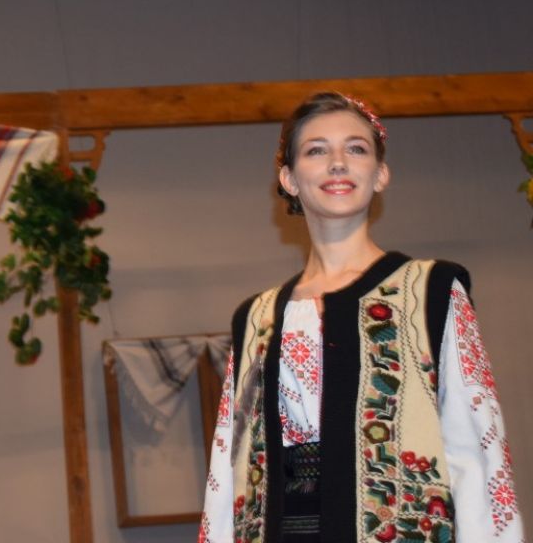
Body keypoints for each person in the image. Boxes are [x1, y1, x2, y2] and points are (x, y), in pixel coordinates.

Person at [198, 93, 523, 542]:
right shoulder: (257, 317)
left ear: (380, 173)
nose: (338, 163)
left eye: (356, 148)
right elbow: (230, 464)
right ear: (289, 179)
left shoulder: (429, 291)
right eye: (316, 150)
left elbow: (474, 446)